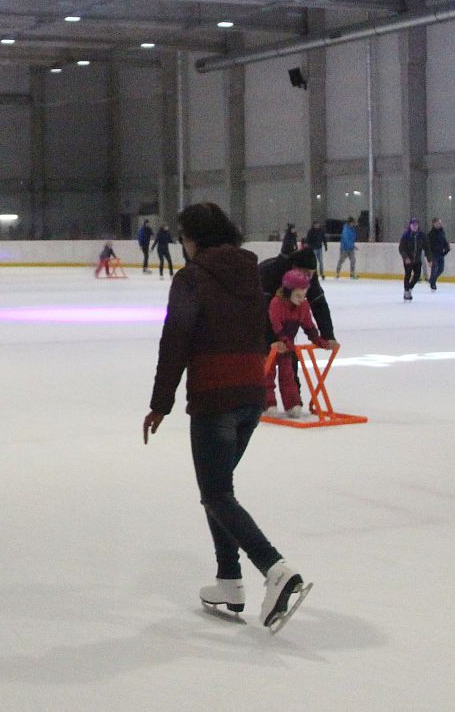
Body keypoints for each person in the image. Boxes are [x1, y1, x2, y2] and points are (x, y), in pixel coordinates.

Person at [144, 202, 310, 632]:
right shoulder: (249, 273)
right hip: (250, 395)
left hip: (214, 397)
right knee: (218, 491)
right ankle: (229, 580)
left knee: (216, 493)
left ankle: (275, 568)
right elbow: (262, 330)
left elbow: (175, 340)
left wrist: (160, 403)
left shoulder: (191, 279)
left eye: (183, 237)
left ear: (194, 238)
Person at [267, 269, 329, 419]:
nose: (302, 299)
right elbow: (276, 326)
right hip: (270, 344)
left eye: (304, 295)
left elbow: (308, 324)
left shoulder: (303, 306)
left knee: (288, 375)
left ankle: (292, 404)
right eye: (298, 296)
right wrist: (284, 341)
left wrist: (317, 339)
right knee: (268, 374)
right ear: (288, 292)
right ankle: (268, 403)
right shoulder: (276, 303)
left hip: (287, 346)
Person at [398, 219, 427, 301]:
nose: (415, 226)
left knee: (417, 275)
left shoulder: (421, 235)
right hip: (408, 259)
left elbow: (426, 246)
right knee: (408, 274)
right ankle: (406, 291)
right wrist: (405, 257)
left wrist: (429, 258)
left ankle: (409, 288)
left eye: (416, 225)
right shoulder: (406, 235)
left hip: (417, 259)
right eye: (413, 225)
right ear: (410, 226)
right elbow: (401, 248)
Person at [425, 218, 451, 291]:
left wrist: (447, 246)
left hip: (440, 253)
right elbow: (428, 246)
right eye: (438, 223)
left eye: (440, 223)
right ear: (434, 224)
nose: (440, 224)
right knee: (434, 268)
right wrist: (429, 256)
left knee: (441, 269)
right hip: (433, 254)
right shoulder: (430, 234)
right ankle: (433, 283)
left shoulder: (442, 232)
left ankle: (432, 280)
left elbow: (444, 240)